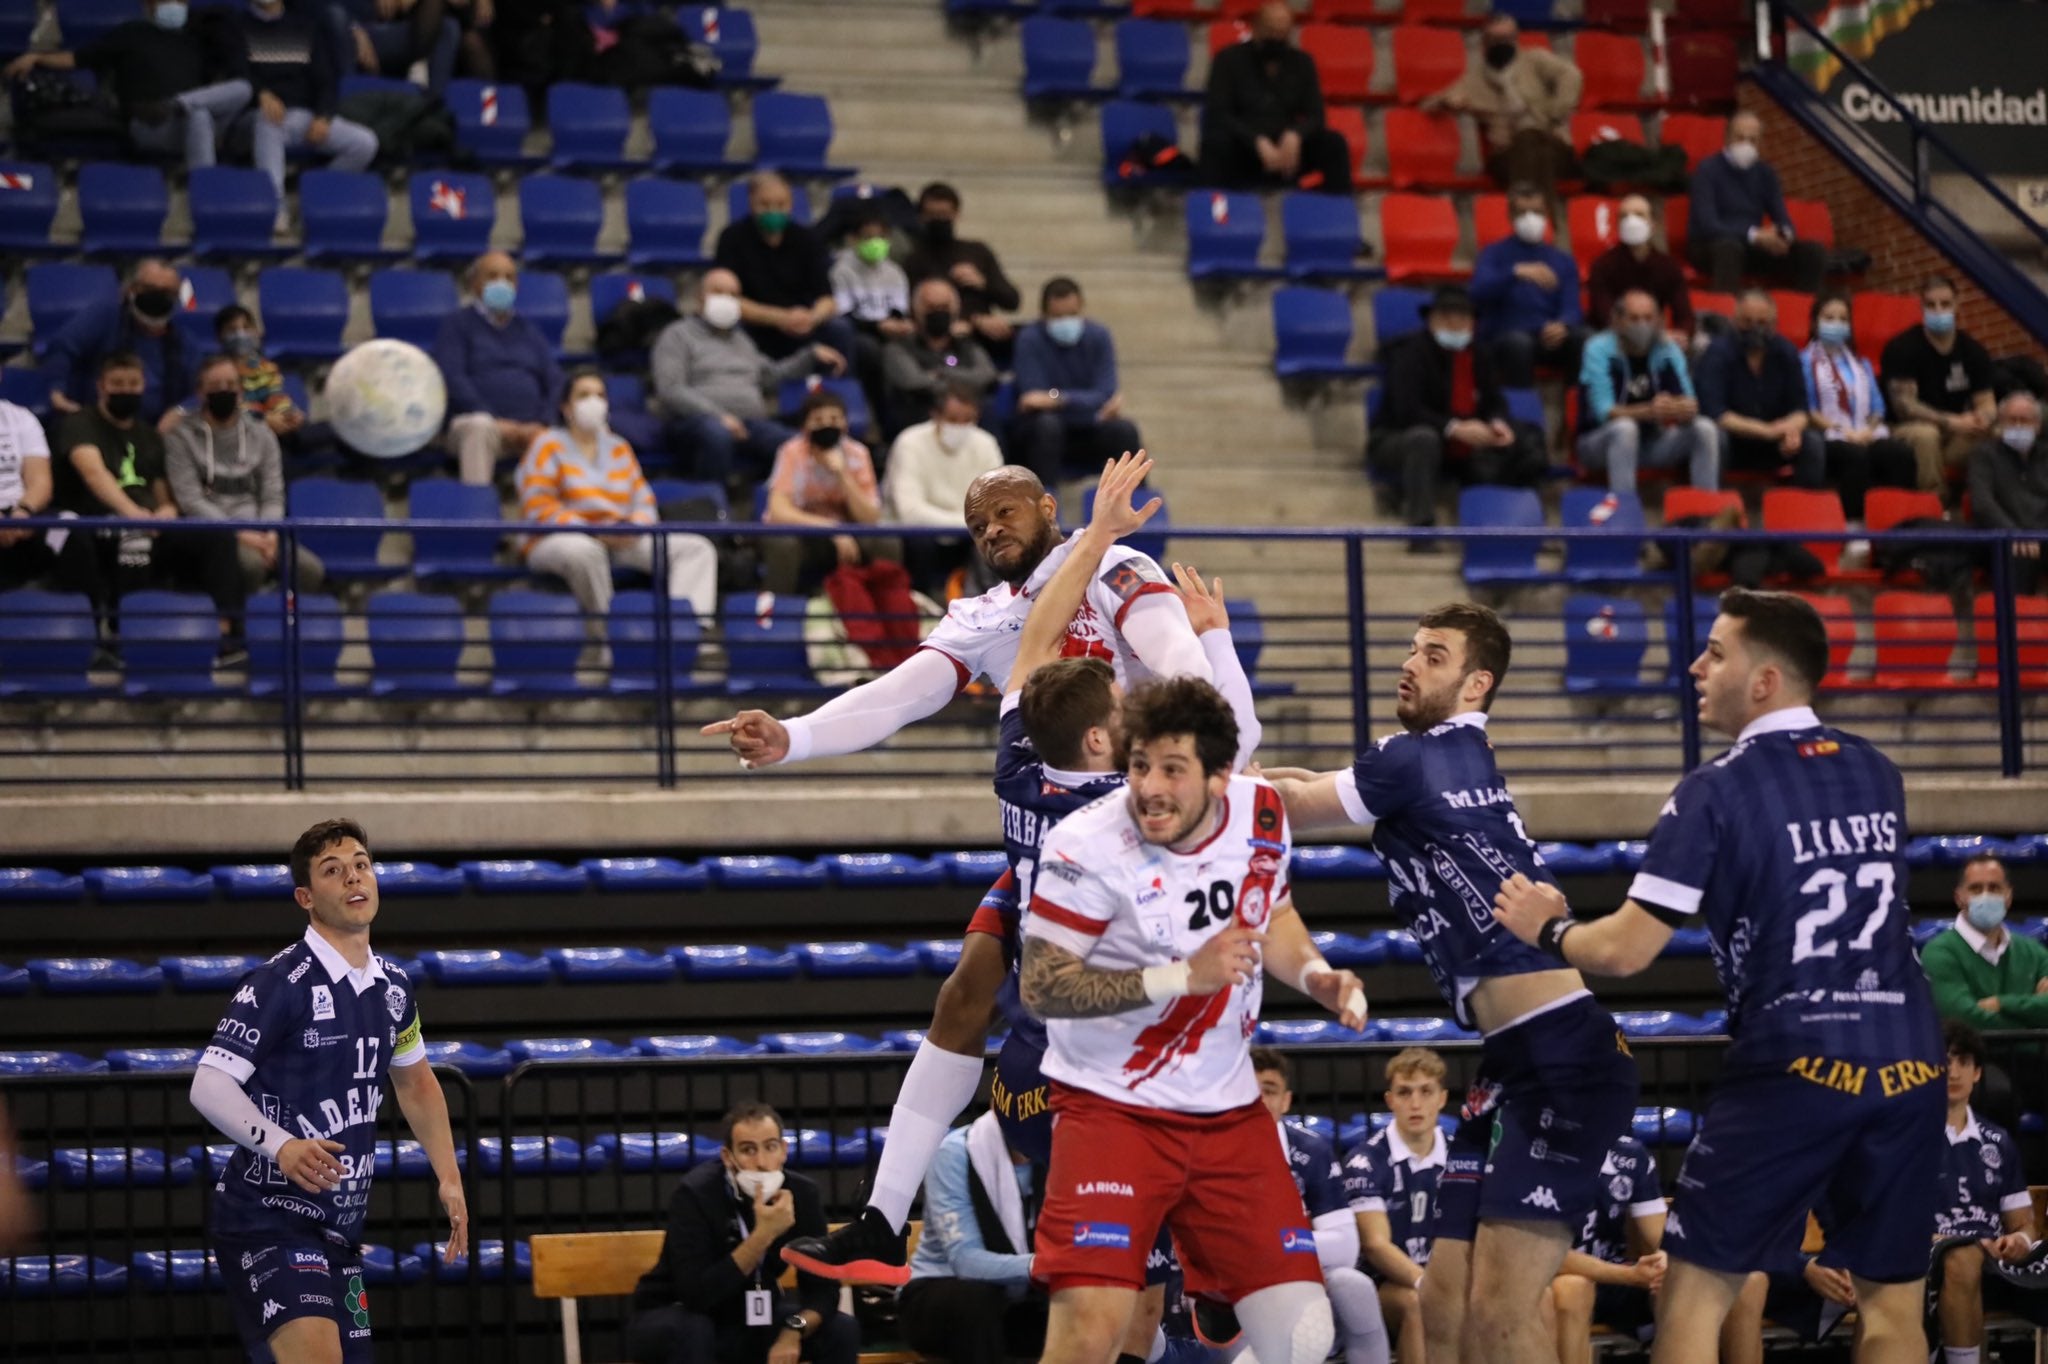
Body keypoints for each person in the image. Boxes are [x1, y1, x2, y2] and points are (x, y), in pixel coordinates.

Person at [767, 455, 1223, 1285]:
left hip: (1130, 850)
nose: (990, 529)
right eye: (978, 524)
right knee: (964, 989)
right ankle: (879, 1217)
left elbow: (1187, 673)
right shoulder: (986, 614)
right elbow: (902, 693)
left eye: (1005, 511)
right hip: (1043, 844)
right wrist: (795, 737)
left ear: (1047, 506)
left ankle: (1203, 1251)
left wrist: (1212, 691)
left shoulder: (1121, 568)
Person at [1492, 587, 1946, 1364]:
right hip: (1911, 1060)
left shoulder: (1717, 789)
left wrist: (1550, 926)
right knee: (1894, 1307)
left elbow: (1628, 952)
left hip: (1794, 1062)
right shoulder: (1878, 772)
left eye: (1716, 651)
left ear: (1764, 680)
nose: (1696, 664)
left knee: (1693, 1301)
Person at [1263, 603, 1639, 1364]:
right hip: (1512, 1062)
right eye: (1411, 648)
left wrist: (1185, 779)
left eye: (1432, 654)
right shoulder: (1448, 757)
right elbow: (1301, 783)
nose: (1409, 662)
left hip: (1564, 1062)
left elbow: (1291, 805)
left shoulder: (1411, 758)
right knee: (1440, 1302)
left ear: (1476, 684)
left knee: (1502, 1312)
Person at [1019, 674, 1366, 1364]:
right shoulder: (1084, 845)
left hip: (1228, 1112)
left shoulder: (1261, 814)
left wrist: (1315, 975)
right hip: (1112, 1107)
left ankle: (1215, 1287)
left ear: (1219, 776)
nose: (1149, 786)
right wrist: (1183, 977)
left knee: (1304, 1339)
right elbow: (1042, 986)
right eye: (1140, 764)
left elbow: (1277, 914)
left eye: (1173, 769)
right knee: (1092, 1331)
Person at [189, 818, 467, 1364]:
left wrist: (450, 1177)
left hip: (337, 1232)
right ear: (306, 897)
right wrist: (282, 1145)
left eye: (361, 865)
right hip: (267, 1219)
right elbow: (209, 1084)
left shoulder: (394, 987)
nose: (353, 878)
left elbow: (415, 1082)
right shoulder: (280, 982)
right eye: (332, 871)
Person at [623, 1101, 858, 1364]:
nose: (761, 1162)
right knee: (694, 1329)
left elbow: (823, 1290)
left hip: (749, 1318)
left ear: (783, 1151)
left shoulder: (802, 1195)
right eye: (748, 1150)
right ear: (728, 1157)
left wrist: (794, 1329)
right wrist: (762, 1237)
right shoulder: (695, 1194)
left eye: (770, 1147)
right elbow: (697, 1295)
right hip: (673, 1314)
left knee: (840, 1329)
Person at [51, 352, 246, 661]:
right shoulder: (80, 423)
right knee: (134, 537)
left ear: (143, 387)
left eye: (133, 383)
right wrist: (133, 514)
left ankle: (224, 635)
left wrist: (166, 510)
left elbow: (160, 486)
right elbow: (93, 473)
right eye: (117, 384)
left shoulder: (147, 435)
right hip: (98, 521)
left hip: (149, 520)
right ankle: (125, 637)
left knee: (217, 536)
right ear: (101, 386)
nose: (125, 390)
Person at [516, 370, 719, 644]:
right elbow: (538, 505)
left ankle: (685, 637)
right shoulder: (547, 444)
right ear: (566, 407)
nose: (594, 402)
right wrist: (591, 531)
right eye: (584, 395)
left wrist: (633, 527)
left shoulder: (619, 447)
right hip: (557, 538)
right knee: (586, 552)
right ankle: (611, 642)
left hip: (620, 536)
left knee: (696, 548)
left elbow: (643, 500)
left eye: (600, 395)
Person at [1368, 286, 1546, 541]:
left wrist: (1497, 424)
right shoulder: (1408, 353)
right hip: (1398, 436)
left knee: (1526, 437)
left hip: (1462, 437)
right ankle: (1421, 530)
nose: (1455, 324)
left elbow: (1494, 400)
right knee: (1424, 438)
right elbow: (1406, 410)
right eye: (1447, 317)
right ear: (1431, 320)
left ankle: (1524, 525)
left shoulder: (1479, 354)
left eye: (1462, 318)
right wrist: (1455, 428)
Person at [763, 390, 921, 670]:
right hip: (807, 534)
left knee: (888, 542)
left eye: (834, 418)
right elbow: (778, 511)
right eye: (819, 419)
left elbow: (870, 516)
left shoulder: (857, 453)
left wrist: (841, 474)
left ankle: (889, 610)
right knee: (781, 542)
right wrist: (831, 529)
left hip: (851, 535)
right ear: (805, 426)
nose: (827, 424)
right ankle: (781, 620)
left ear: (845, 424)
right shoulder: (791, 452)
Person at [1254, 1049, 1393, 1364]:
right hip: (1235, 1282)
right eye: (1250, 1091)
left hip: (1302, 1273)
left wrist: (1275, 1246)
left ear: (1286, 1101)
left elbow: (1345, 1246)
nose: (1259, 1100)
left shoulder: (1310, 1151)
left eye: (1269, 1090)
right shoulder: (1211, 1151)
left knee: (1353, 1285)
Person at [4, 0, 250, 173]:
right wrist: (36, 57)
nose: (174, 4)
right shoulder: (131, 32)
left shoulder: (198, 38)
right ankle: (205, 191)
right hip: (150, 123)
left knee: (242, 89)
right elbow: (77, 58)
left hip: (187, 117)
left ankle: (178, 104)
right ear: (149, 5)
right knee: (200, 116)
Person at [651, 270, 842, 490]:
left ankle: (773, 506)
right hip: (695, 422)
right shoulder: (677, 335)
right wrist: (719, 416)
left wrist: (810, 355)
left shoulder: (742, 340)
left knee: (790, 444)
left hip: (748, 423)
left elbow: (770, 376)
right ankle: (712, 509)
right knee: (716, 435)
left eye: (733, 295)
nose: (726, 299)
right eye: (718, 292)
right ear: (700, 297)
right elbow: (671, 389)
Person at [1930, 1021, 2045, 1364]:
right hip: (1929, 1261)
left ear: (1977, 1073)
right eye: (1944, 1061)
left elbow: (2024, 1224)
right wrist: (1944, 1240)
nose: (1953, 1071)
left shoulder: (1998, 1141)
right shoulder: (1909, 1137)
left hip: (1993, 1266)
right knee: (1961, 1255)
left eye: (1963, 1062)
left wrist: (2019, 1242)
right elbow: (1892, 1223)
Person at [896, 1110, 1050, 1364]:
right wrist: (1045, 1265)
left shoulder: (1060, 1154)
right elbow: (965, 1261)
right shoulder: (955, 1153)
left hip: (1023, 1297)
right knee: (977, 1299)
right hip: (938, 1292)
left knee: (1090, 1298)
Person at [164, 353, 325, 593]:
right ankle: (240, 627)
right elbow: (191, 500)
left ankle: (283, 624)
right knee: (250, 566)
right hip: (214, 533)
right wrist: (240, 534)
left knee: (310, 570)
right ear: (200, 393)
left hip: (261, 530)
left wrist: (270, 533)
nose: (224, 391)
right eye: (215, 386)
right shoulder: (181, 437)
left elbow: (272, 493)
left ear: (240, 390)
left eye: (230, 385)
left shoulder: (262, 434)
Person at [1343, 1049, 1449, 1364]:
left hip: (1442, 1279)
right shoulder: (1365, 1161)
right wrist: (1426, 1283)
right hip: (1382, 1286)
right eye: (1405, 1092)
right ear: (1390, 1100)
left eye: (1425, 1092)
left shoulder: (1463, 1158)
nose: (1415, 1104)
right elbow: (1376, 1245)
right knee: (1418, 1302)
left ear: (1442, 1099)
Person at [238, 0, 378, 226]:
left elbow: (326, 81)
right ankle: (275, 208)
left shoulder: (305, 26)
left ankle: (314, 197)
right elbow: (235, 72)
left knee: (365, 143)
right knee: (268, 122)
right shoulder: (238, 25)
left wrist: (323, 116)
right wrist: (260, 93)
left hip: (301, 116)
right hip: (254, 117)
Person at [1421, 11, 1581, 205]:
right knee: (1527, 146)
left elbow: (1571, 75)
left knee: (1538, 149)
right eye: (1495, 39)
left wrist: (1554, 112)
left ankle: (1528, 209)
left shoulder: (1535, 60)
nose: (1501, 44)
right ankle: (1544, 217)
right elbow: (1429, 104)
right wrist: (1446, 102)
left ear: (1516, 39)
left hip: (1549, 143)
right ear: (1484, 43)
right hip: (1508, 153)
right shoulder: (1475, 80)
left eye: (1507, 39)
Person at [434, 251, 562, 486]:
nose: (501, 284)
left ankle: (561, 518)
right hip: (479, 425)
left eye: (509, 277)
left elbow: (554, 380)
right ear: (474, 284)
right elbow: (453, 377)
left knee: (568, 436)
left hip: (530, 428)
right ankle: (478, 514)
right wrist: (496, 421)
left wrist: (542, 422)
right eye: (492, 276)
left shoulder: (528, 329)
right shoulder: (457, 324)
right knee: (479, 428)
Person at [1200, 1, 1353, 194]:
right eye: (1271, 31)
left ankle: (1339, 216)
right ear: (1256, 28)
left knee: (1334, 143)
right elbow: (1219, 114)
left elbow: (1316, 115)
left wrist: (1296, 134)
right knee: (1215, 144)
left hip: (1287, 150)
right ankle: (1213, 213)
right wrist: (1256, 140)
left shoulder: (1302, 63)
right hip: (1243, 147)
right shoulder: (1228, 60)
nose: (1276, 38)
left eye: (1282, 33)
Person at [1577, 288, 1720, 492]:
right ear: (1617, 321)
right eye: (1634, 319)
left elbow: (1690, 403)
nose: (1642, 325)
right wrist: (1650, 411)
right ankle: (1625, 514)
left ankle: (1708, 511)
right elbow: (1604, 412)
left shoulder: (1667, 349)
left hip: (1652, 442)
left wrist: (1681, 409)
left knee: (1704, 428)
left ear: (1660, 321)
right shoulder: (1598, 349)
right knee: (1625, 428)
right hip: (1598, 443)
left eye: (1648, 318)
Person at [1544, 1135, 1666, 1364]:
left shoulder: (1631, 1153)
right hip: (1555, 1278)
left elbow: (1660, 1238)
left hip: (1617, 1277)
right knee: (1573, 1288)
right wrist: (1629, 1276)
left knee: (1674, 1281)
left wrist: (1664, 1262)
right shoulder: (1537, 1152)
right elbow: (1545, 1255)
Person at [1011, 278, 1142, 489]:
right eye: (1058, 316)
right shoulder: (1029, 339)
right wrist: (1089, 406)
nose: (1066, 321)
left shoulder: (1099, 336)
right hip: (1043, 430)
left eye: (1072, 314)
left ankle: (1133, 505)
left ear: (1081, 309)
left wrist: (1056, 398)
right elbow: (1031, 396)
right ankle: (1045, 504)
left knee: (1124, 430)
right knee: (1047, 426)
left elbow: (1105, 393)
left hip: (1089, 426)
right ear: (1044, 315)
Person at [716, 172, 858, 364]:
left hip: (803, 323)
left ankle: (839, 390)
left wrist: (812, 318)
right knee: (728, 326)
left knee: (840, 329)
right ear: (751, 202)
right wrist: (779, 318)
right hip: (756, 324)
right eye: (765, 204)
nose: (773, 211)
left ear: (790, 204)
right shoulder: (732, 238)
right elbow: (728, 300)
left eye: (780, 204)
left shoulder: (807, 239)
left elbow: (827, 299)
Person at [1800, 293, 1917, 522]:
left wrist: (1866, 431)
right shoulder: (1803, 362)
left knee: (1899, 453)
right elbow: (1808, 410)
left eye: (1843, 319)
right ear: (1815, 323)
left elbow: (1877, 408)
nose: (1837, 324)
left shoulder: (1860, 364)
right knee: (1854, 455)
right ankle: (1854, 526)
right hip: (1827, 435)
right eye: (1829, 318)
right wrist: (1844, 432)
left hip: (1863, 432)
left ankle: (1900, 521)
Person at [1695, 289, 1825, 487]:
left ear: (1774, 325)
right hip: (1735, 440)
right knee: (1714, 438)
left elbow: (1801, 409)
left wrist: (1791, 430)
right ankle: (1712, 508)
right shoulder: (1717, 352)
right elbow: (1716, 413)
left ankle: (1803, 511)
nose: (1754, 328)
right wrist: (1765, 431)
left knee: (1812, 441)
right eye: (1747, 321)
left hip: (1775, 442)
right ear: (1734, 321)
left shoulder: (1786, 352)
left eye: (1762, 322)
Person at [1881, 276, 1999, 494]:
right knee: (1927, 435)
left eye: (1945, 304)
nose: (1938, 310)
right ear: (1921, 306)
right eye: (1931, 305)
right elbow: (1905, 408)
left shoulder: (1973, 350)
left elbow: (1987, 402)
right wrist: (1951, 422)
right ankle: (1935, 505)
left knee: (2002, 431)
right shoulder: (1902, 347)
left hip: (1954, 433)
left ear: (1957, 304)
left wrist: (1983, 418)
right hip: (1905, 429)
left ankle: (1999, 502)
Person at [883, 382, 1004, 592]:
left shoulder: (986, 443)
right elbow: (909, 512)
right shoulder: (909, 443)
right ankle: (920, 613)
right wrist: (967, 523)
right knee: (921, 543)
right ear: (935, 415)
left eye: (968, 420)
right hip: (919, 536)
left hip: (969, 534)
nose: (960, 427)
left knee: (991, 542)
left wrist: (972, 526)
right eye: (953, 420)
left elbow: (996, 502)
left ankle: (982, 612)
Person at [1686, 112, 1826, 294]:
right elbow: (1709, 226)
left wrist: (1782, 236)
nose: (1746, 145)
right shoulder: (1707, 170)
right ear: (1727, 138)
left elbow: (1783, 218)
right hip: (1709, 246)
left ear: (1760, 144)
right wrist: (1755, 235)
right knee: (1729, 248)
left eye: (1752, 140)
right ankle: (1724, 313)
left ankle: (1805, 310)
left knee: (1812, 252)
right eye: (1740, 138)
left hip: (1750, 246)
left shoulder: (1765, 173)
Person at [40, 259, 192, 425]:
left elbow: (202, 386)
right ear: (130, 289)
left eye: (167, 292)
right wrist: (57, 391)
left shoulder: (182, 340)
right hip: (97, 424)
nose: (158, 297)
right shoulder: (105, 317)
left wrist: (180, 410)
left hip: (154, 433)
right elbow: (62, 348)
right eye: (149, 289)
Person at [1470, 182, 1586, 387]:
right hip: (1507, 336)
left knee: (1584, 338)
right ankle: (1522, 410)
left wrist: (1563, 324)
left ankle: (1577, 406)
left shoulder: (1563, 260)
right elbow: (1477, 292)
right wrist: (1515, 272)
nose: (1531, 218)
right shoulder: (1493, 253)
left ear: (1546, 215)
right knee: (1518, 344)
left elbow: (1572, 307)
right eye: (1523, 212)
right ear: (1511, 217)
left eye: (1537, 211)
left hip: (1548, 338)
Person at [1922, 854, 2048, 1030]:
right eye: (1975, 888)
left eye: (1994, 888)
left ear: (2008, 897)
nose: (1985, 895)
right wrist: (2036, 1027)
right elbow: (1965, 1022)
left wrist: (2002, 1003)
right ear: (1959, 898)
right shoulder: (1939, 953)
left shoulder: (2034, 952)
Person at [902, 184, 1020, 363]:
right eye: (933, 215)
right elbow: (910, 308)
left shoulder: (977, 251)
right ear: (921, 217)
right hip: (934, 334)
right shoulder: (913, 259)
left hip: (982, 332)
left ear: (956, 214)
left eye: (944, 214)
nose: (939, 220)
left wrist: (984, 283)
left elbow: (1012, 301)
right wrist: (968, 321)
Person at [880, 279, 998, 440]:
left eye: (944, 307)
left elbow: (987, 375)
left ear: (955, 310)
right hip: (919, 415)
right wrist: (963, 383)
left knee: (989, 409)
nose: (938, 312)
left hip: (967, 415)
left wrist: (941, 373)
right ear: (916, 310)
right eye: (931, 307)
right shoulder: (898, 348)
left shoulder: (968, 346)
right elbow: (913, 382)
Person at [829, 206, 911, 421]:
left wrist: (900, 325)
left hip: (889, 333)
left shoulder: (894, 272)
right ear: (854, 239)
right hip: (860, 334)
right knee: (870, 350)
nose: (875, 243)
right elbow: (844, 315)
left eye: (880, 237)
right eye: (868, 237)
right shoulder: (842, 271)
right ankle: (879, 416)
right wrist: (878, 326)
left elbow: (898, 310)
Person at [1585, 194, 1695, 347]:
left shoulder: (1669, 266)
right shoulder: (1602, 266)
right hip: (1613, 340)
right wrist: (1648, 336)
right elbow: (1605, 316)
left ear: (1652, 224)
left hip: (1656, 337)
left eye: (1639, 214)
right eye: (1624, 216)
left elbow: (1684, 315)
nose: (1631, 221)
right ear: (1617, 226)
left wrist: (1682, 334)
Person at [1966, 389, 2047, 595]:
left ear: (2037, 425)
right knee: (2017, 554)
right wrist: (2015, 534)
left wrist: (2036, 535)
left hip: (2043, 535)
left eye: (2025, 420)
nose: (2018, 425)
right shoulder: (1984, 455)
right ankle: (2017, 624)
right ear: (2001, 424)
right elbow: (1982, 504)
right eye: (2012, 420)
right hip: (2002, 537)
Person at [337, 0, 458, 94]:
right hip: (352, 31)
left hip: (390, 27)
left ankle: (432, 109)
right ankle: (421, 60)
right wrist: (352, 27)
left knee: (448, 27)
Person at [0, 394, 53, 591]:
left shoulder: (21, 418)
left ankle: (92, 619)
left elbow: (40, 480)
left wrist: (23, 512)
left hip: (21, 513)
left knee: (71, 535)